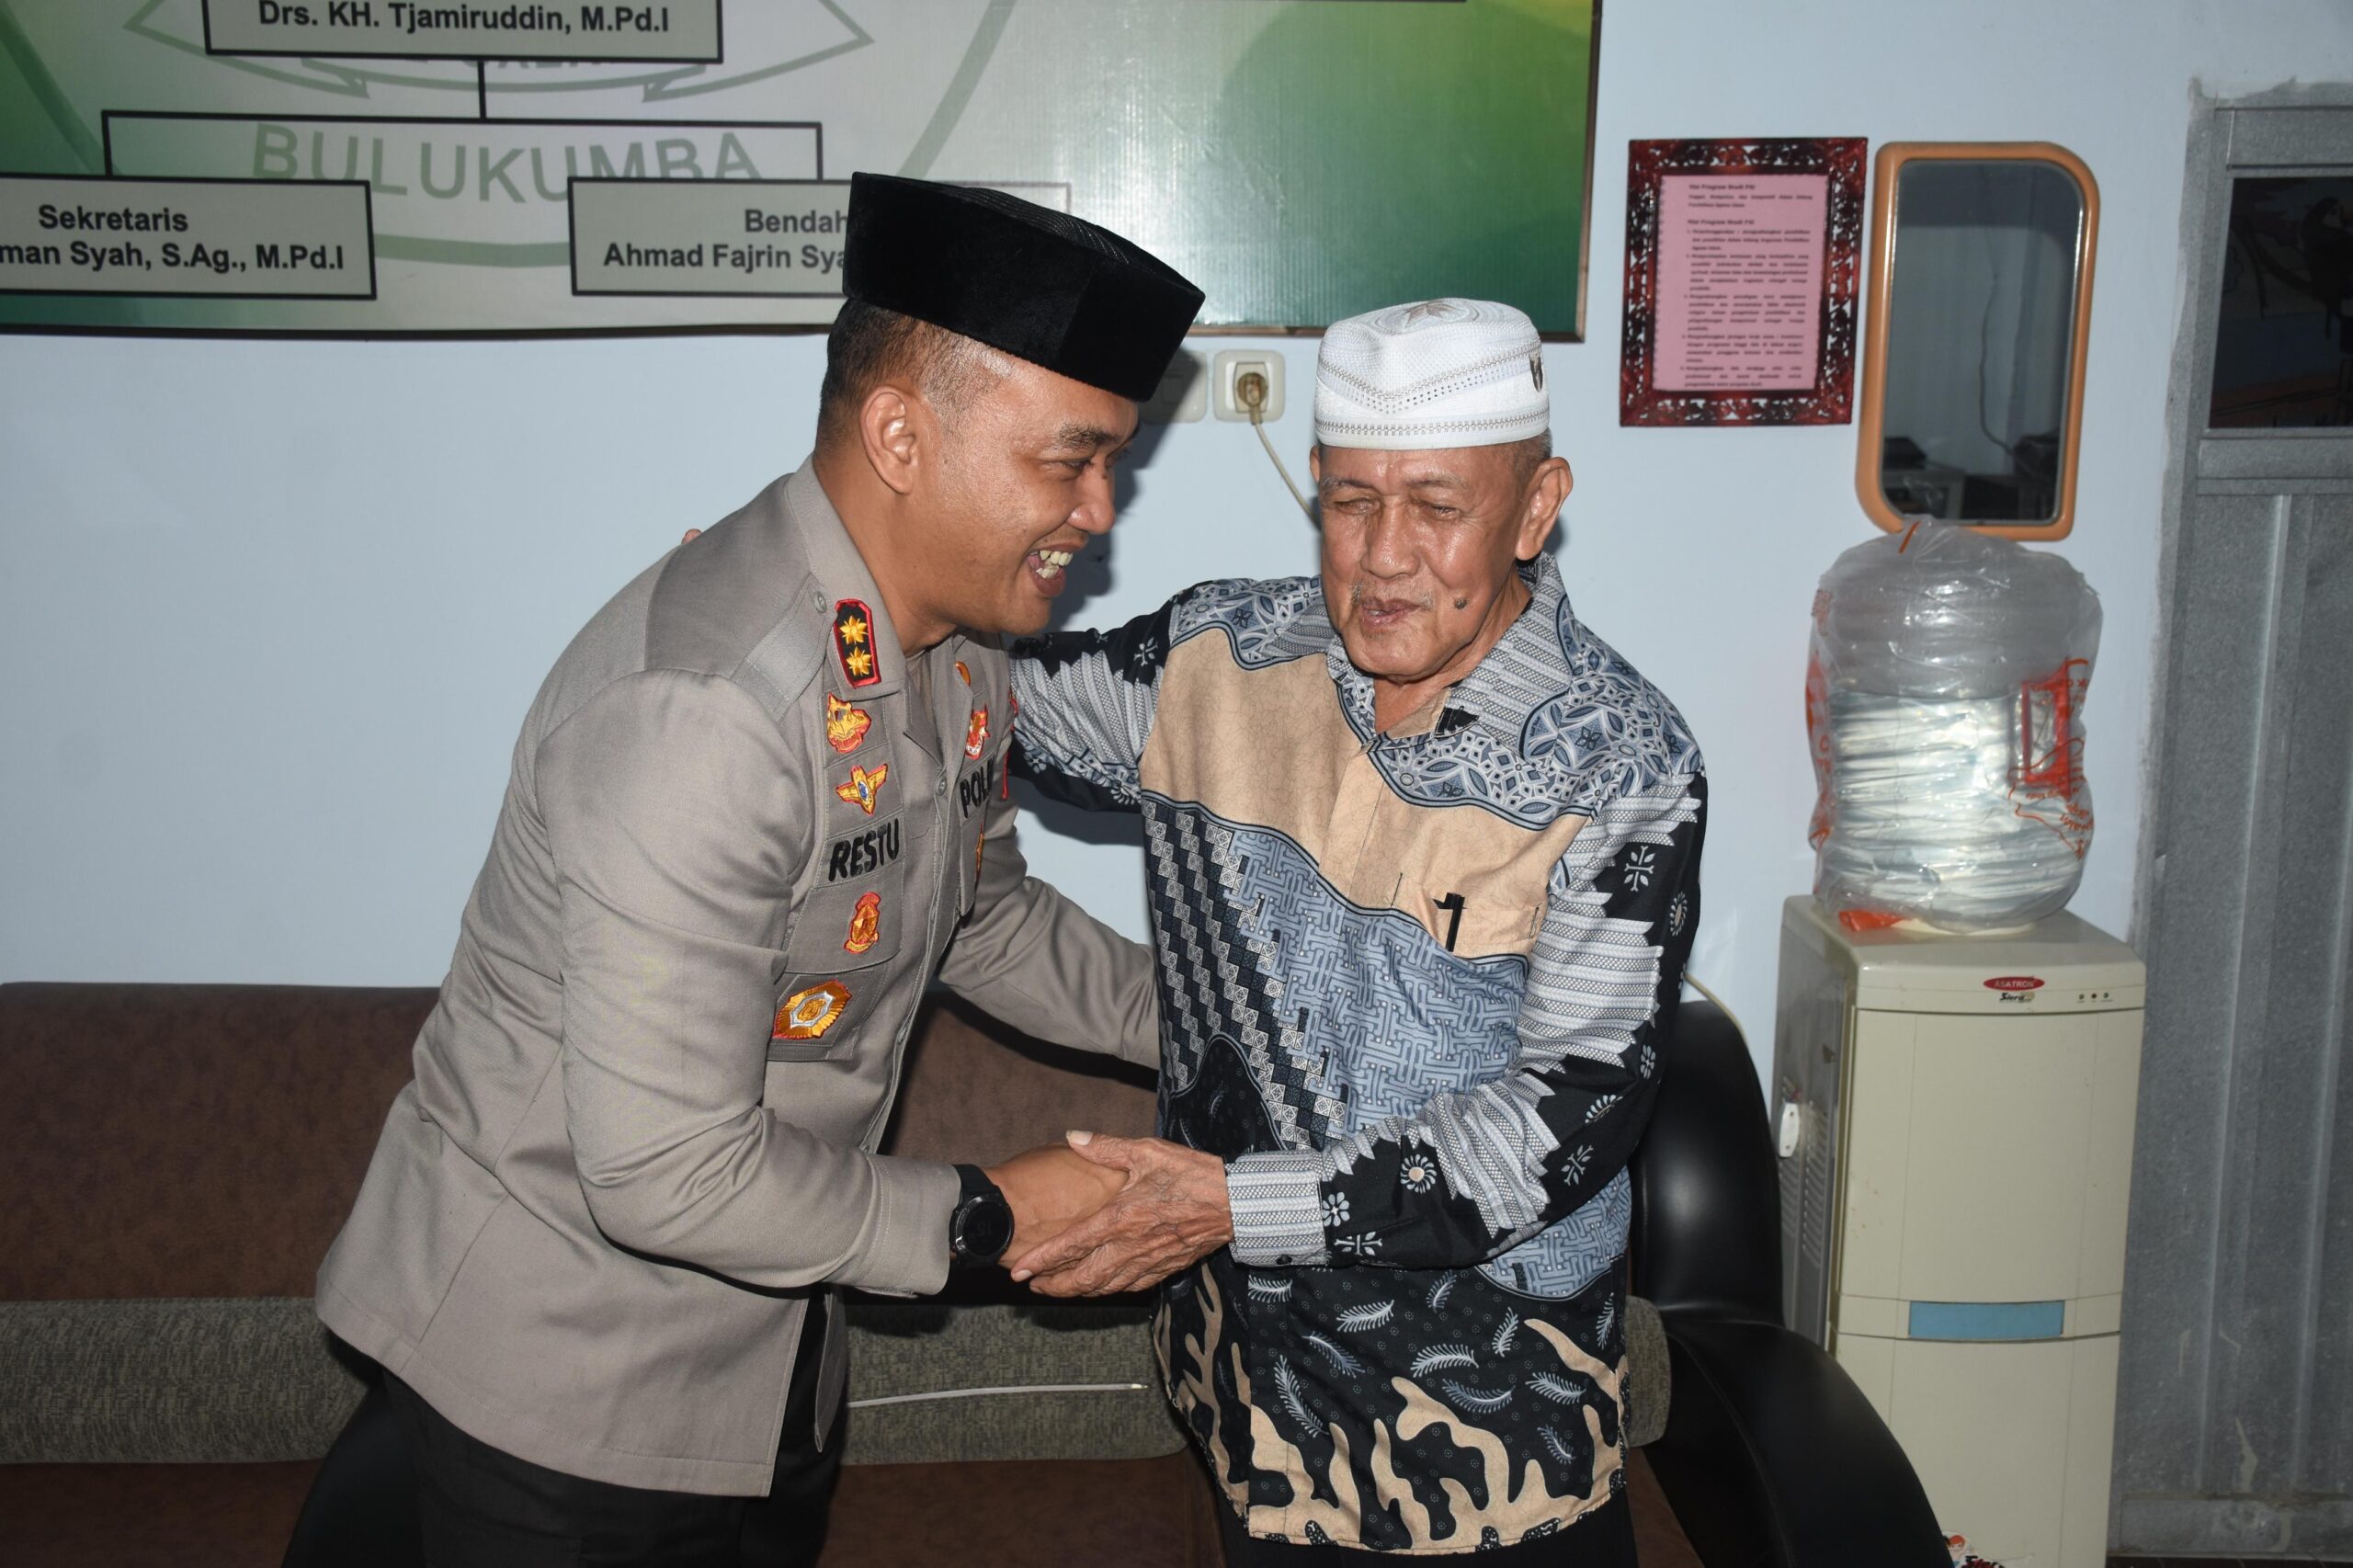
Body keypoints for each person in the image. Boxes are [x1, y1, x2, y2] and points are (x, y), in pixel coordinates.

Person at [308, 174, 1203, 1567]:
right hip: (558, 1392)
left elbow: (981, 918)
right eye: (1068, 460)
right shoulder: (707, 709)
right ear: (901, 436)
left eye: (1113, 465)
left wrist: (1226, 1020)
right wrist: (993, 1212)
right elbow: (665, 1170)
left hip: (765, 1362)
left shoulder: (957, 646)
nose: (1100, 510)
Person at [999, 299, 1707, 1561]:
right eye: (1350, 501)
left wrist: (1236, 1206)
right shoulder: (1216, 660)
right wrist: (842, 620)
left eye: (1437, 508)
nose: (1384, 557)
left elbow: (1558, 1126)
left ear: (1536, 508)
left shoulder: (1621, 766)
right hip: (1252, 1415)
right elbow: (987, 706)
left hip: (1491, 1454)